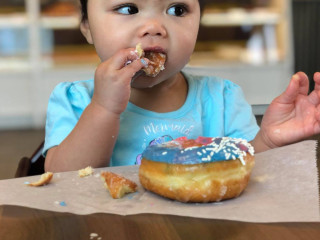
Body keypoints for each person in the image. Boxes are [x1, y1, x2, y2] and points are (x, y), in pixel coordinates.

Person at [43, 0, 320, 172]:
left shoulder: (221, 98)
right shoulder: (76, 99)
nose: (153, 27)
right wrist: (103, 108)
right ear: (87, 27)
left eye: (177, 9)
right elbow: (62, 177)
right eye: (128, 9)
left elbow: (244, 170)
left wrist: (269, 141)